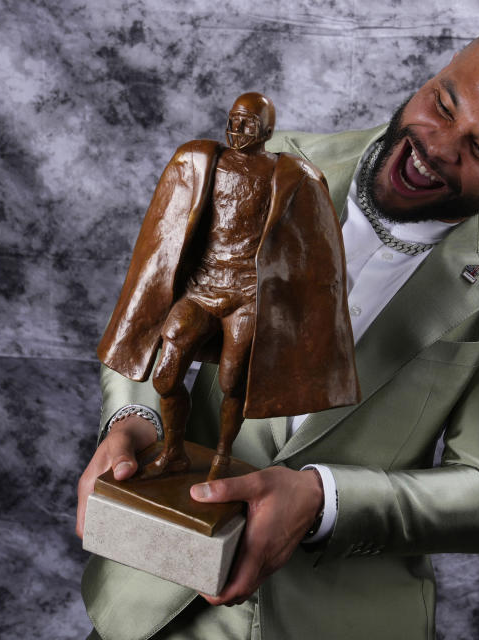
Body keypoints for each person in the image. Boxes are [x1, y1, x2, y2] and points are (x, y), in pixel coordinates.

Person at [77, 24, 479, 640]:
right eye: (442, 106)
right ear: (431, 78)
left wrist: (322, 500)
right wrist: (137, 420)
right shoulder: (271, 161)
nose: (437, 147)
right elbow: (151, 304)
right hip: (153, 601)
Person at [95, 91, 359, 483]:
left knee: (233, 382)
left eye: (248, 123)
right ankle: (174, 452)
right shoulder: (202, 161)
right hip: (203, 288)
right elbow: (163, 231)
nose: (237, 129)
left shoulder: (290, 175)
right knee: (166, 376)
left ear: (268, 130)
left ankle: (221, 457)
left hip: (248, 297)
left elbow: (318, 253)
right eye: (234, 120)